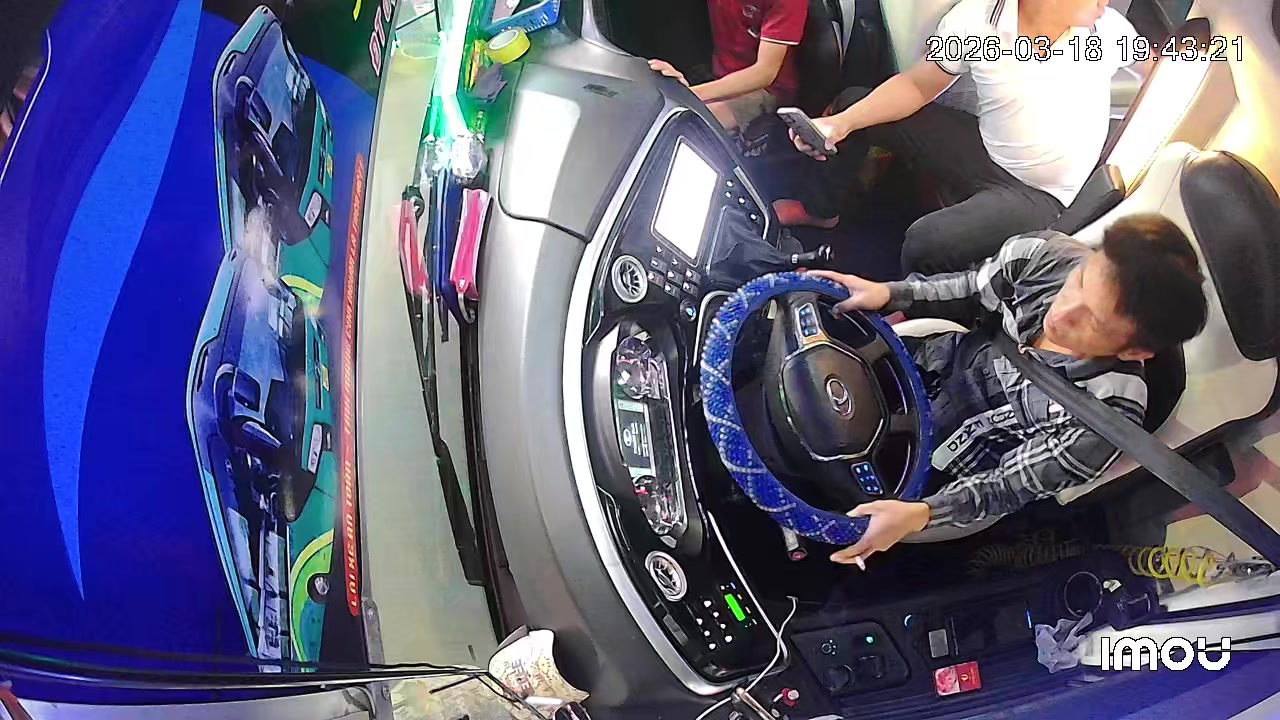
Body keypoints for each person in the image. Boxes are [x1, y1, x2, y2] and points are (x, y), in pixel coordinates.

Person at [809, 213, 1208, 567]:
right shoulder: (1043, 254)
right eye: (1080, 282)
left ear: (1135, 351)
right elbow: (971, 287)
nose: (1062, 314)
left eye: (1094, 321)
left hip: (943, 470)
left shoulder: (1107, 421)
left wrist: (921, 513)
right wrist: (889, 293)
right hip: (930, 363)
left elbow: (1004, 487)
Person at [780, 0, 1149, 276]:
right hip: (985, 150)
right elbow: (918, 85)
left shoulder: (1108, 31)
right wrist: (840, 124)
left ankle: (916, 311)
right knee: (853, 104)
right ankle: (821, 210)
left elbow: (1160, 66)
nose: (1105, 2)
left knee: (926, 242)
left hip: (1040, 194)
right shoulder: (975, 22)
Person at [647, 0, 807, 134]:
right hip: (720, 74)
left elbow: (764, 73)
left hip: (768, 89)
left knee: (684, 123)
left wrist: (687, 94)